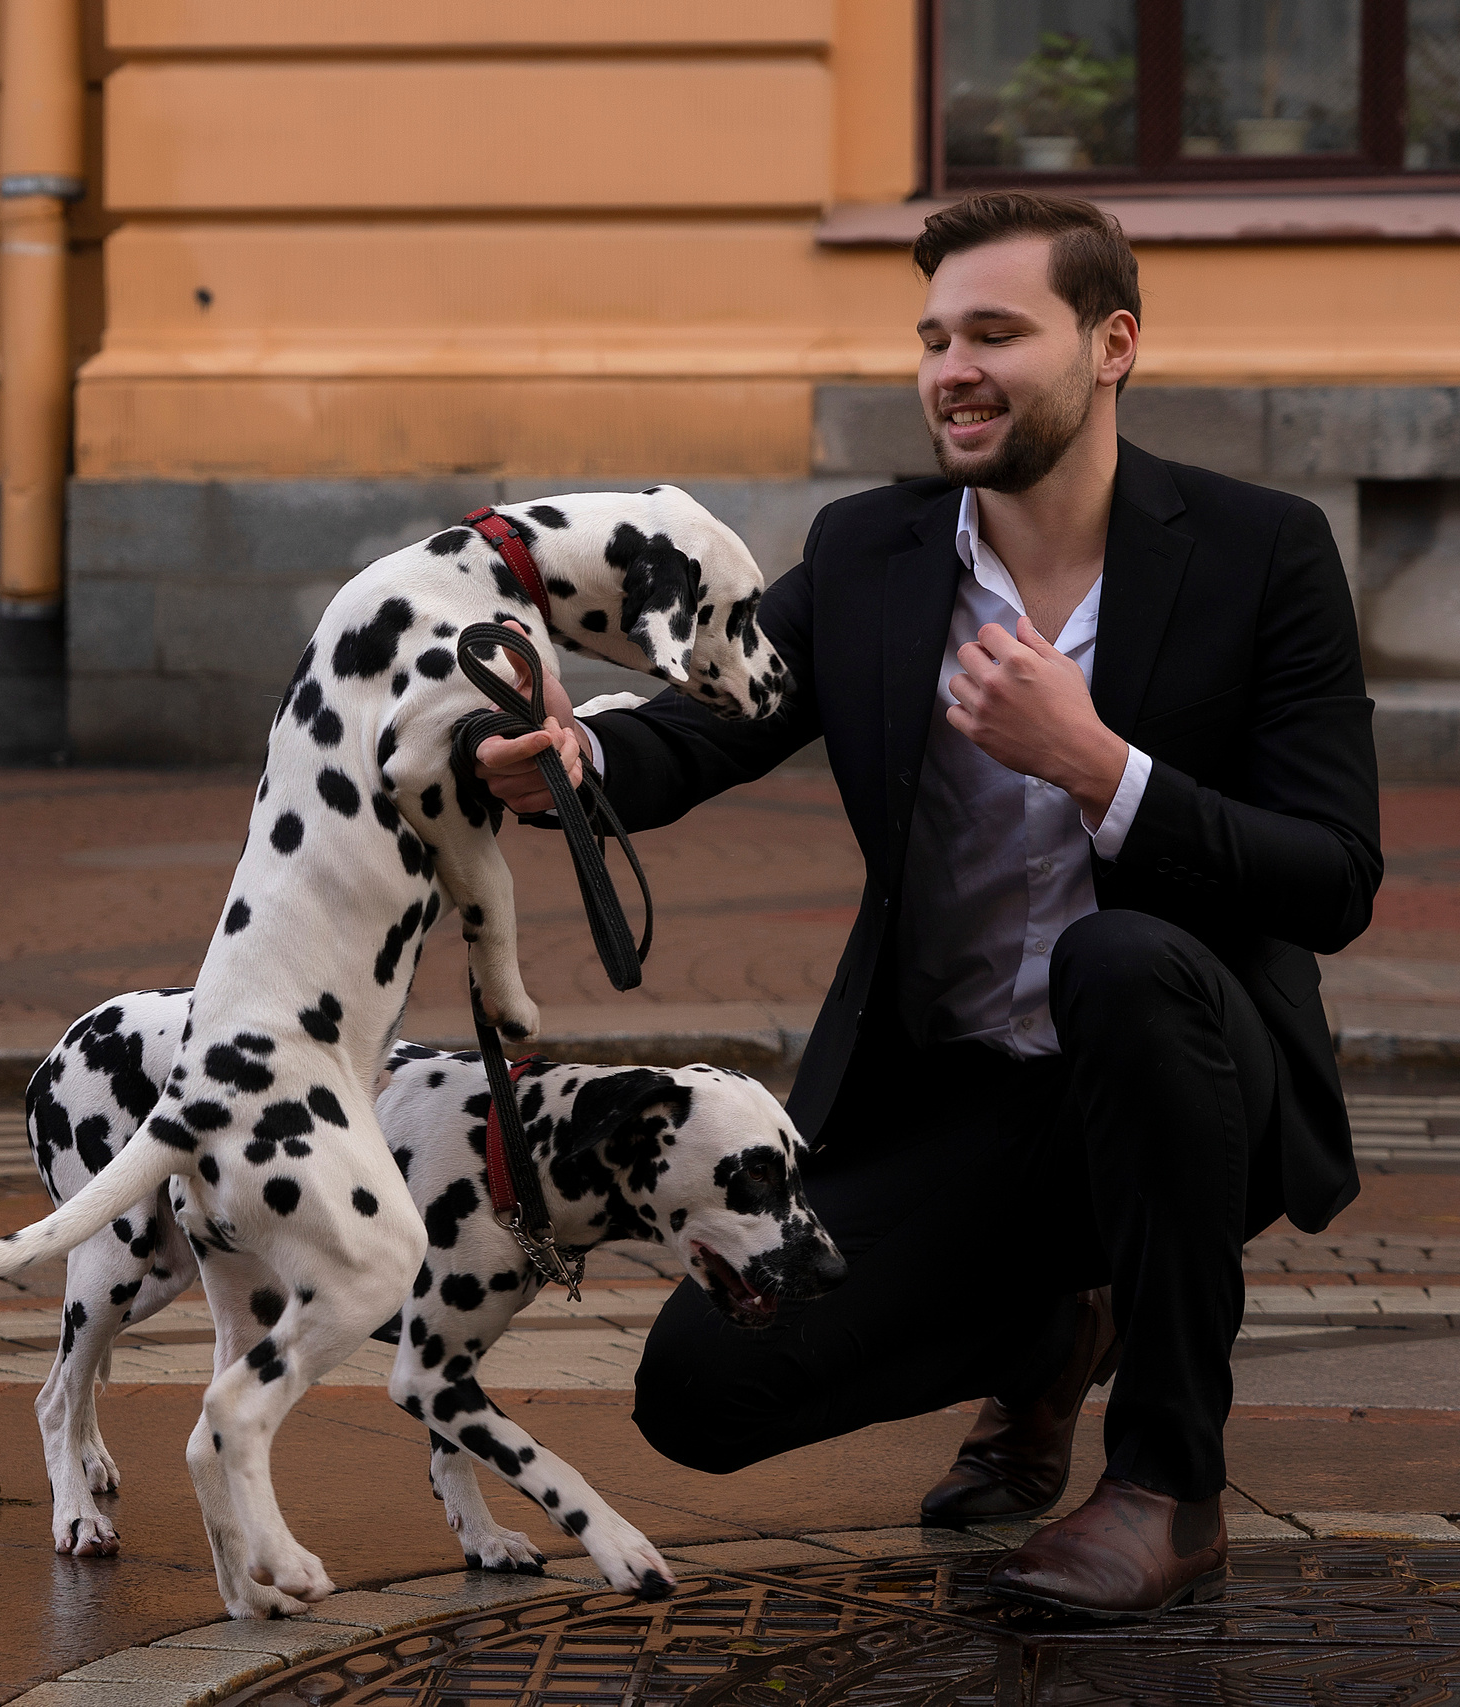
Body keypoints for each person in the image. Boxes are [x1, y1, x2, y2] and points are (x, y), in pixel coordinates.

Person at [473, 190, 1380, 1620]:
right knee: (699, 1396)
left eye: (997, 333)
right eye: (935, 336)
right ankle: (1054, 1323)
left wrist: (1101, 768)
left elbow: (1336, 877)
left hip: (1193, 1082)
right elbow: (713, 720)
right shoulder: (874, 554)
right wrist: (575, 758)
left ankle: (1167, 1483)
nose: (952, 368)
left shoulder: (1262, 554)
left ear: (1114, 344)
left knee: (1125, 961)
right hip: (963, 1104)